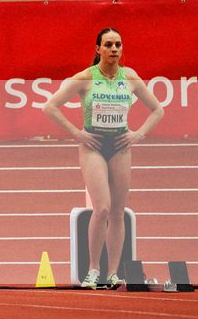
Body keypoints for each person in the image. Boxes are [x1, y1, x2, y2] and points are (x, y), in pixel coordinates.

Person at [42, 26, 165, 288]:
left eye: (118, 45)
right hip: (93, 145)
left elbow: (157, 110)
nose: (114, 50)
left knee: (118, 212)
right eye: (108, 45)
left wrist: (138, 134)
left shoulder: (130, 77)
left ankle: (112, 273)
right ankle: (93, 270)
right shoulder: (86, 77)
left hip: (120, 145)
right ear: (98, 49)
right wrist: (78, 133)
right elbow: (50, 106)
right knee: (103, 208)